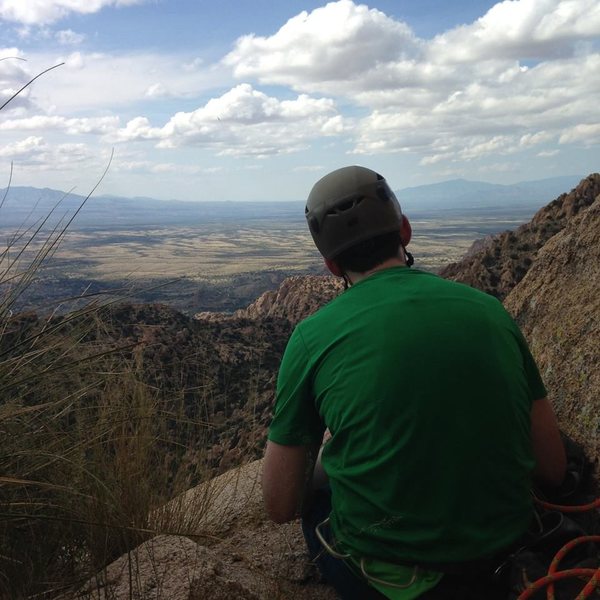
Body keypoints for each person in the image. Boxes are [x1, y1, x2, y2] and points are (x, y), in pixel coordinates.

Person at [262, 165, 566, 599]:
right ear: (404, 229)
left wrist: (328, 464)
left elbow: (279, 504)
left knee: (316, 504)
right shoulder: (489, 310)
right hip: (507, 555)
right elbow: (552, 468)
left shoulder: (312, 337)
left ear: (331, 264)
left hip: (392, 583)